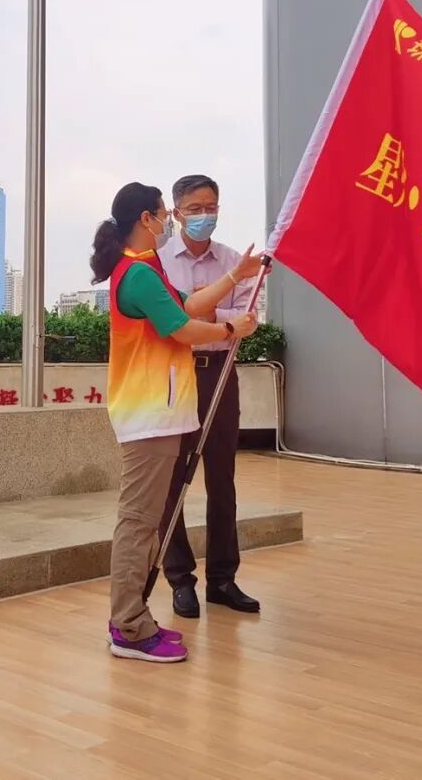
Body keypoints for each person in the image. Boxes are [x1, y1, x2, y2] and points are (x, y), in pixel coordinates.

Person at [90, 182, 262, 664]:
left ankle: (134, 620)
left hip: (159, 412)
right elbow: (182, 328)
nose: (169, 219)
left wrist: (235, 277)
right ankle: (128, 627)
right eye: (166, 212)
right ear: (146, 219)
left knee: (144, 520)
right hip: (149, 413)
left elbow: (186, 304)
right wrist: (229, 328)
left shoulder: (145, 268)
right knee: (139, 521)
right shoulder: (139, 273)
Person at [158, 175, 261, 619]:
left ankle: (223, 579)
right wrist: (218, 314)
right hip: (175, 373)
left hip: (220, 372)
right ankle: (180, 579)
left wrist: (204, 307)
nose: (205, 215)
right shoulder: (159, 263)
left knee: (223, 478)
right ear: (177, 212)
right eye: (195, 208)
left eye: (211, 207)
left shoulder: (235, 260)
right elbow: (171, 317)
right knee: (171, 479)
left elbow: (250, 318)